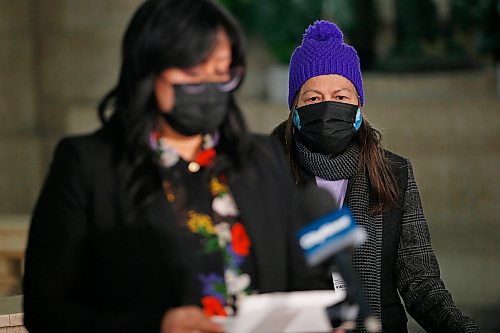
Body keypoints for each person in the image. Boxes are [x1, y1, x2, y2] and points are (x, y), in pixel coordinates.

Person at [22, 1, 331, 332]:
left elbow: (304, 279)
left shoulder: (260, 158)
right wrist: (156, 325)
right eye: (192, 73)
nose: (209, 87)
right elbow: (46, 310)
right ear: (148, 70)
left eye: (221, 71)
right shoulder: (89, 165)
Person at [271, 20, 480, 332]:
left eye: (341, 97)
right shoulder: (266, 173)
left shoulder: (394, 173)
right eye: (313, 98)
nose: (328, 107)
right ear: (295, 109)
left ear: (358, 106)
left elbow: (420, 282)